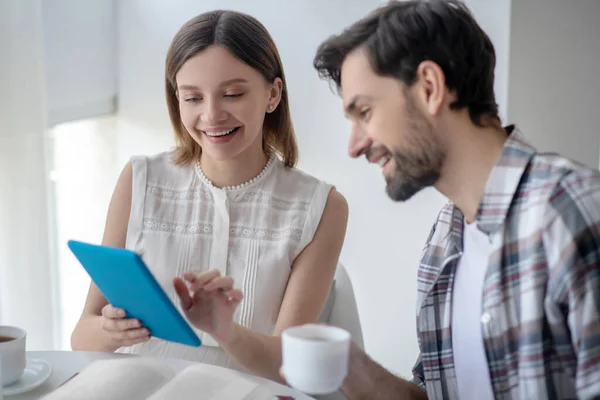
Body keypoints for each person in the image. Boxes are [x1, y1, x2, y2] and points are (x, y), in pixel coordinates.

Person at [174, 0, 600, 398]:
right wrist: (352, 368)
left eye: (365, 112)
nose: (355, 146)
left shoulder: (570, 214)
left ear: (430, 88)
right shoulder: (445, 245)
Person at [70, 10, 348, 370]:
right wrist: (113, 331)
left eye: (232, 94)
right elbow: (81, 338)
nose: (212, 115)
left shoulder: (321, 207)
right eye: (193, 98)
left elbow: (290, 368)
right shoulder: (140, 179)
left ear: (273, 95)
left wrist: (225, 330)